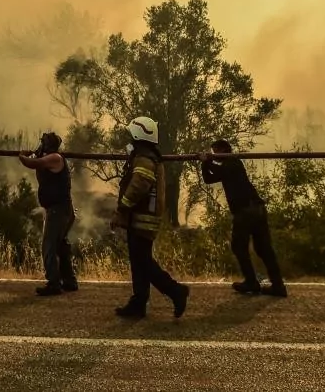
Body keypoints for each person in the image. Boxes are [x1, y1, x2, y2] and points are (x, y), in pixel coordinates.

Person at [111, 116, 189, 319]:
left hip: (141, 217)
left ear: (138, 134)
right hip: (142, 217)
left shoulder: (144, 157)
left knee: (143, 262)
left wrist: (122, 207)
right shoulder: (148, 155)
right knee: (139, 261)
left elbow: (139, 185)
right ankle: (138, 303)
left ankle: (175, 291)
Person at [199, 139, 286, 297]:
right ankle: (276, 285)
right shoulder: (229, 166)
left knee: (241, 247)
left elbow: (217, 172)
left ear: (224, 150)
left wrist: (206, 161)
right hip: (255, 209)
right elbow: (209, 179)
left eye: (216, 151)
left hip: (246, 211)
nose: (214, 155)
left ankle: (253, 282)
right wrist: (205, 163)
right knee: (263, 249)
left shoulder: (232, 163)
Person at [18, 131, 79, 296]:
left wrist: (22, 156)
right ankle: (69, 281)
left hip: (58, 210)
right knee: (60, 245)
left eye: (43, 142)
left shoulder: (55, 158)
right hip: (61, 209)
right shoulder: (52, 158)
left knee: (49, 246)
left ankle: (54, 283)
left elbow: (32, 164)